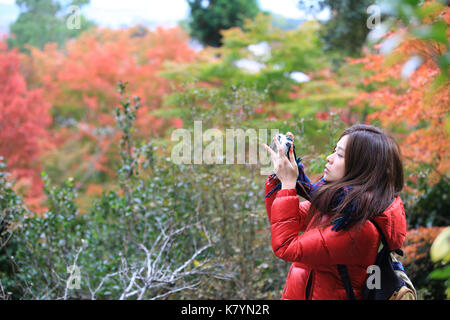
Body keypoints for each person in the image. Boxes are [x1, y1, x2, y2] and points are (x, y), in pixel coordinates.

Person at [261, 124, 407, 300]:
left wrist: (288, 184)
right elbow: (286, 221)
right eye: (334, 151)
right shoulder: (338, 204)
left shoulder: (358, 225)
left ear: (361, 167)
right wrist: (280, 176)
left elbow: (285, 246)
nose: (329, 158)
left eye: (339, 154)